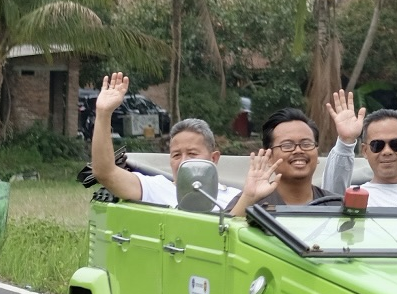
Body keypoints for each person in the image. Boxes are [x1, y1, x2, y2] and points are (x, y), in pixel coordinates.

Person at [88, 72, 236, 209]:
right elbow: (105, 172)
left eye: (192, 153)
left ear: (213, 158)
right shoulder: (155, 188)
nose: (183, 161)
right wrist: (103, 113)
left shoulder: (234, 196)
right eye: (176, 155)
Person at [229, 108, 327, 212]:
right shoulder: (250, 202)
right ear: (269, 157)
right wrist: (248, 199)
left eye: (306, 144)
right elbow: (223, 227)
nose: (298, 150)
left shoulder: (335, 204)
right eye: (287, 145)